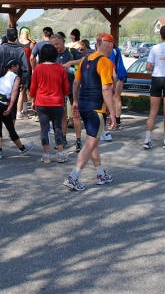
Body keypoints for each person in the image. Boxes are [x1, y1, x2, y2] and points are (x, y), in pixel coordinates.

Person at [63, 33, 117, 191]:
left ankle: (101, 174)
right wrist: (112, 113)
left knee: (93, 142)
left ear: (96, 45)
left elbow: (76, 82)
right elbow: (106, 88)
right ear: (110, 46)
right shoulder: (105, 62)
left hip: (84, 105)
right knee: (90, 143)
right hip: (96, 108)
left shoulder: (85, 60)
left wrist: (75, 101)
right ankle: (73, 177)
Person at [0, 57, 35, 159]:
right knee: (10, 127)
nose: (19, 66)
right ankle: (22, 148)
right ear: (13, 66)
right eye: (17, 65)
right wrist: (10, 106)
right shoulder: (16, 77)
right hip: (2, 103)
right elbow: (15, 91)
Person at [30, 44, 70, 163]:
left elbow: (33, 88)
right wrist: (63, 96)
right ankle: (60, 154)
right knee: (58, 128)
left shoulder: (38, 68)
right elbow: (66, 87)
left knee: (44, 128)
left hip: (42, 102)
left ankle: (46, 155)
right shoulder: (60, 68)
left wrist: (33, 100)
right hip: (57, 102)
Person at [0, 27, 30, 128]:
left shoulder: (0, 48)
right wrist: (24, 82)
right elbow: (26, 68)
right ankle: (11, 130)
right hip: (15, 81)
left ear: (7, 37)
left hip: (2, 80)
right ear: (16, 38)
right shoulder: (21, 50)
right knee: (13, 106)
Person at [50, 33, 84, 150]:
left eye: (57, 44)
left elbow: (84, 60)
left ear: (62, 41)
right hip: (60, 89)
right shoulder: (52, 54)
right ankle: (63, 139)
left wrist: (71, 63)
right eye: (53, 45)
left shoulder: (71, 51)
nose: (55, 47)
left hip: (74, 87)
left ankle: (78, 140)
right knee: (62, 115)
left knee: (76, 114)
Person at [16, 27, 35, 120]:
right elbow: (33, 58)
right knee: (22, 90)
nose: (26, 34)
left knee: (24, 91)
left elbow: (33, 58)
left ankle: (24, 110)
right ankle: (19, 112)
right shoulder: (30, 43)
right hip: (24, 69)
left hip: (22, 69)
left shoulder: (30, 43)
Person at [110, 41, 128, 131]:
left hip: (118, 75)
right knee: (113, 97)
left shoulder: (112, 49)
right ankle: (113, 120)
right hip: (116, 75)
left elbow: (112, 65)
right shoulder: (111, 48)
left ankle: (117, 122)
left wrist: (114, 80)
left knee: (116, 97)